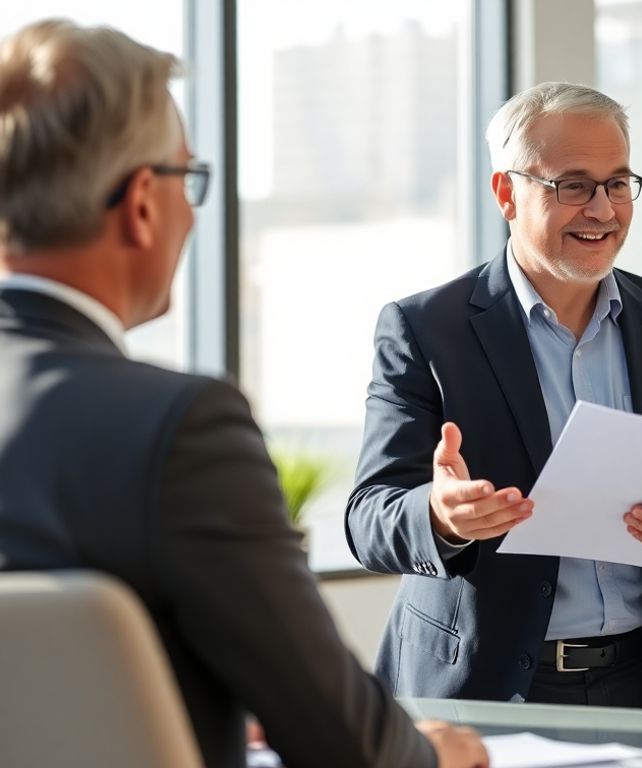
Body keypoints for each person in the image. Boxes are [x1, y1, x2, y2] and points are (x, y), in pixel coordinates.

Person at [0, 19, 486, 768]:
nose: (191, 213)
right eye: (187, 179)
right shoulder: (177, 428)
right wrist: (440, 756)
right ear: (140, 203)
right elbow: (346, 745)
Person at [346, 82, 642, 711]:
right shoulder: (426, 329)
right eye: (573, 185)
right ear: (507, 193)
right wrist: (440, 516)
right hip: (488, 689)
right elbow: (368, 516)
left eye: (618, 184)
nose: (602, 209)